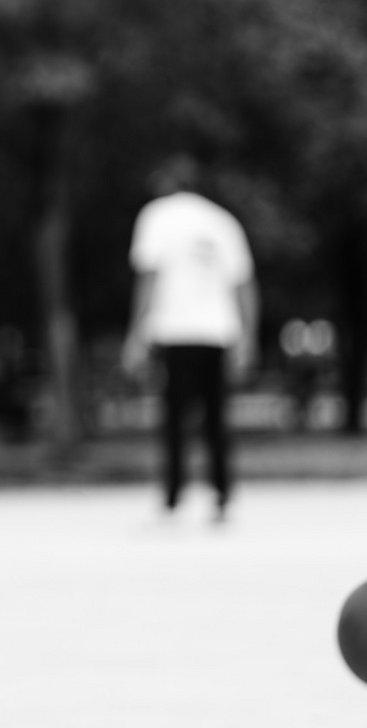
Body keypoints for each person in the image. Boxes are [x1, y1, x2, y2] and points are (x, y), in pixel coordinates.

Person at [121, 156, 258, 521]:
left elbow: (148, 276)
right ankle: (223, 495)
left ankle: (172, 497)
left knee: (174, 418)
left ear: (167, 183)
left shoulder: (156, 216)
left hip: (174, 328)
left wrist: (135, 333)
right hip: (218, 330)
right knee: (216, 418)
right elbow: (244, 284)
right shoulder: (222, 220)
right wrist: (248, 337)